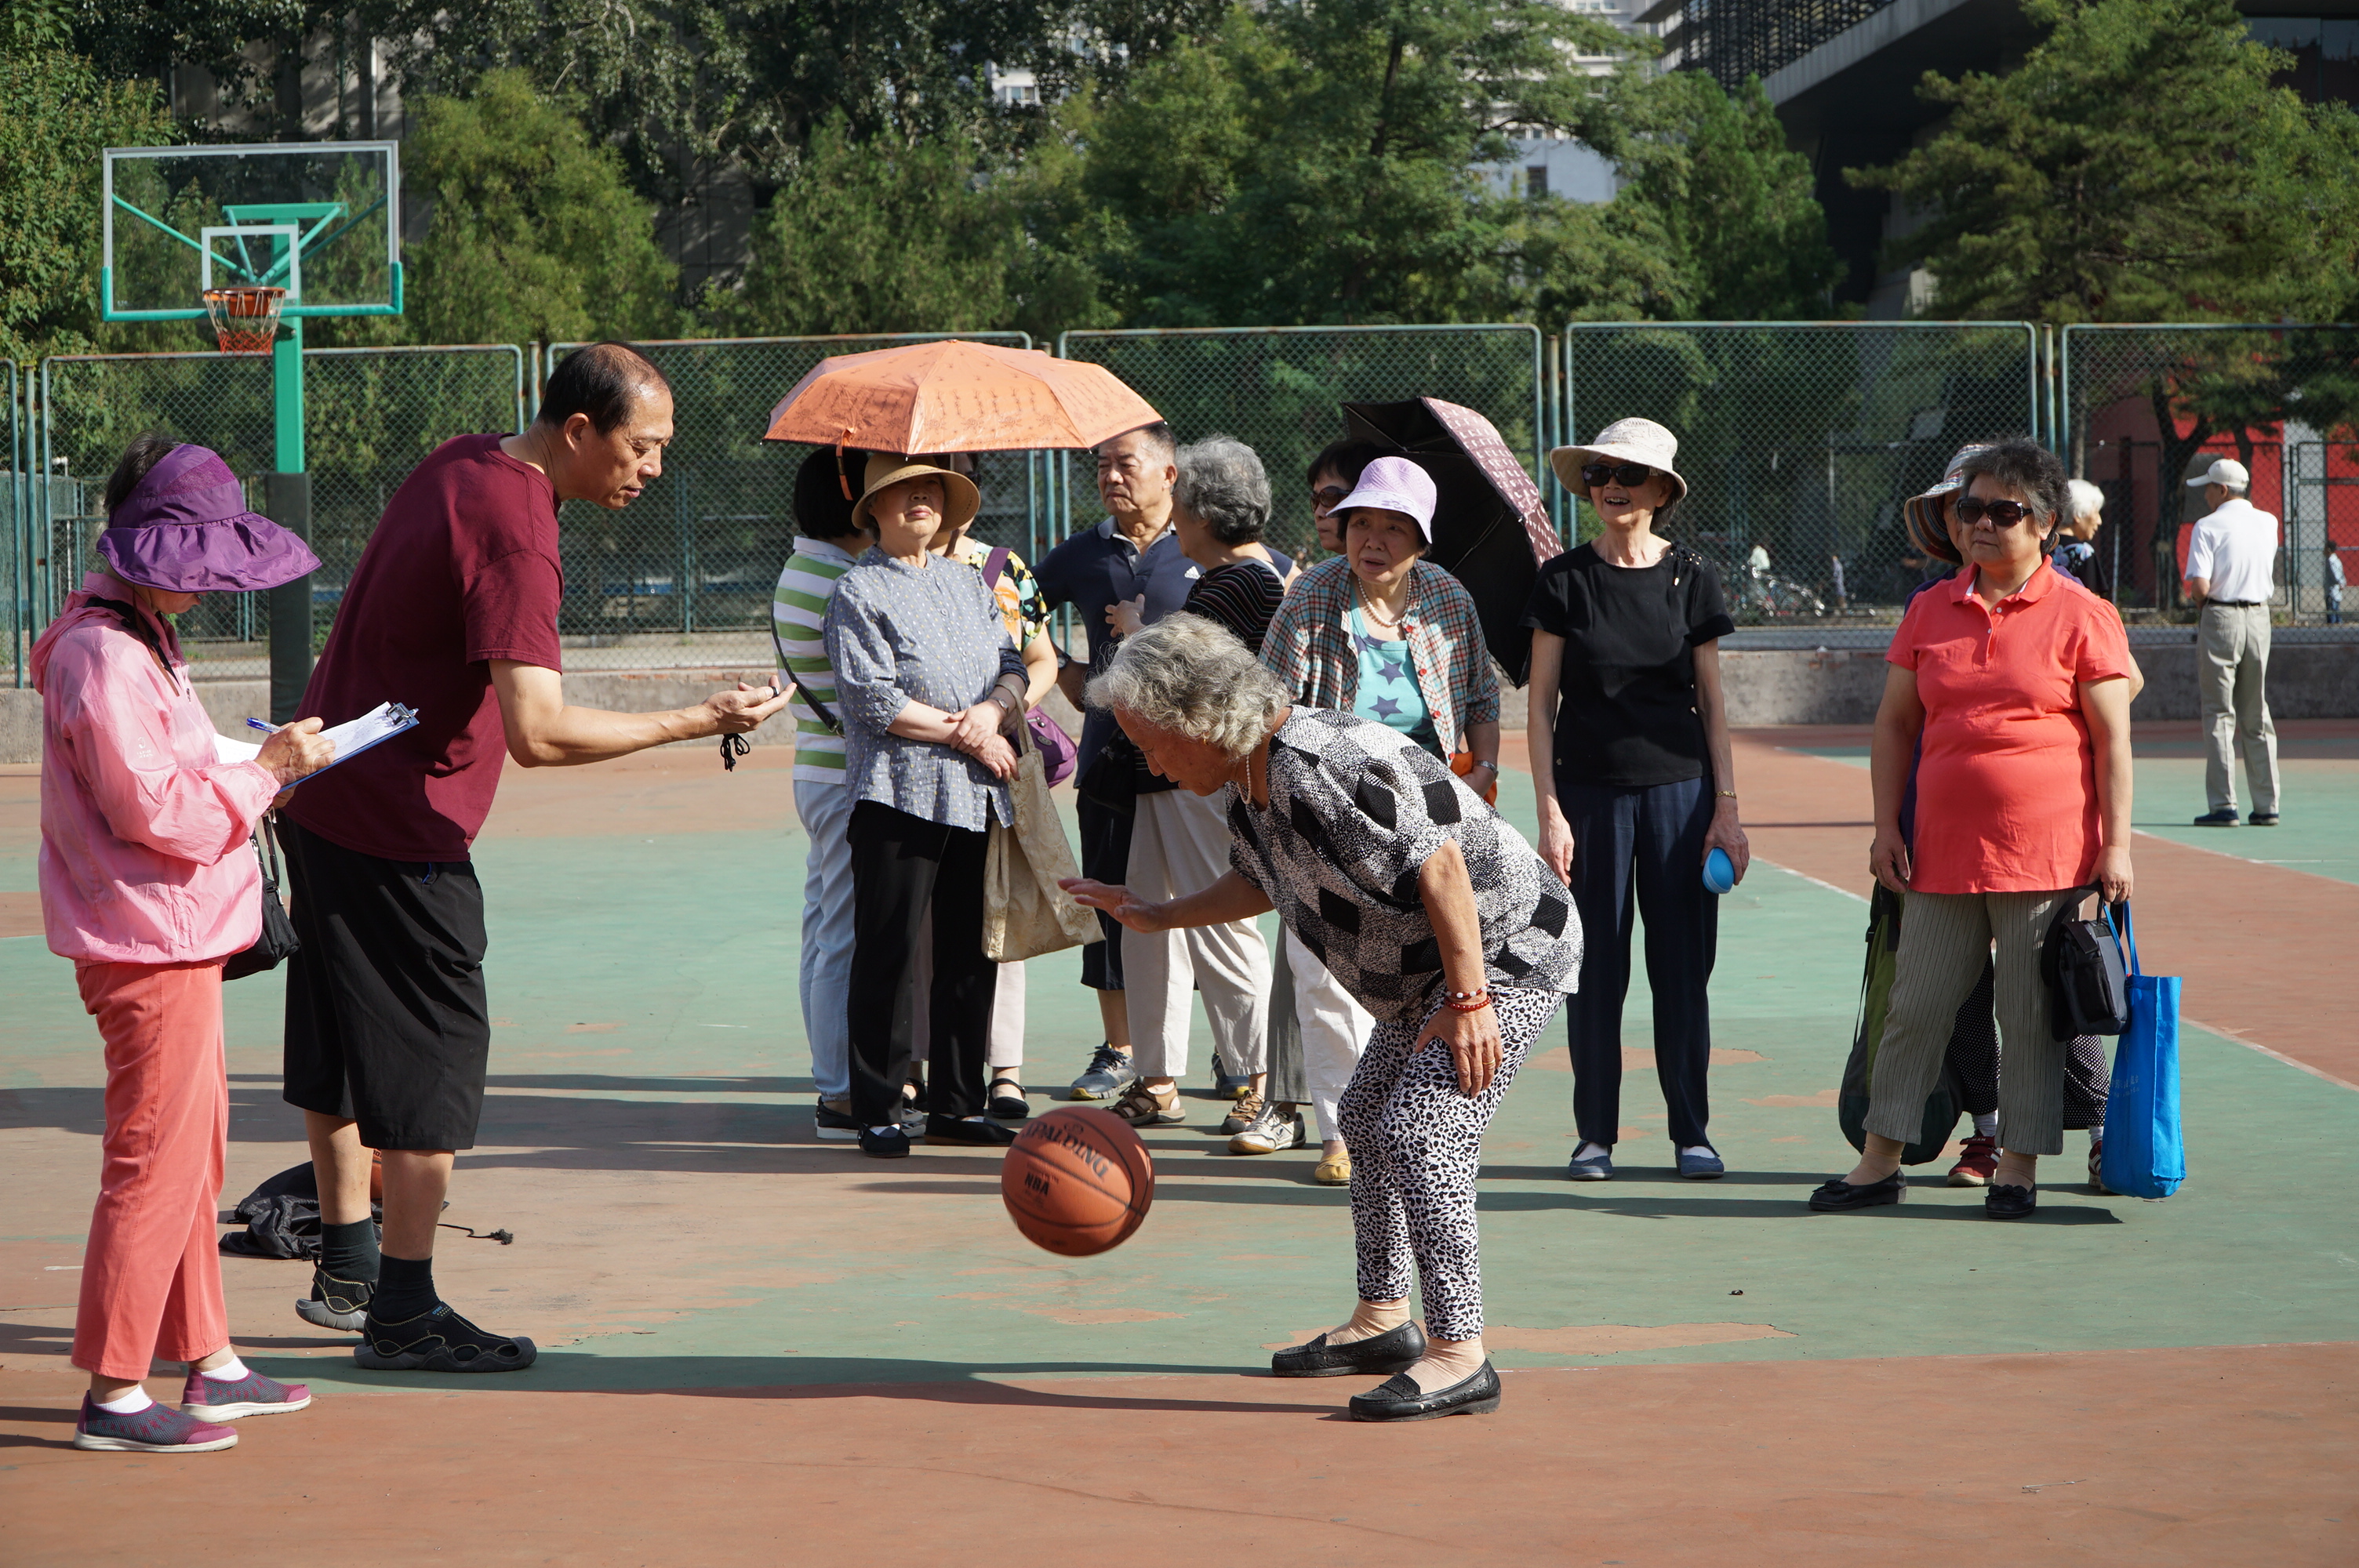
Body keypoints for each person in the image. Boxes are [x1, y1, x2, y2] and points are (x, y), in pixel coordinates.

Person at [278, 343, 791, 1370]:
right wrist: (698, 718)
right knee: (431, 1075)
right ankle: (406, 1315)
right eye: (641, 449)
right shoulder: (520, 527)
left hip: (321, 793)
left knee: (337, 1049)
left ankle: (348, 1269)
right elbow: (541, 733)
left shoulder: (461, 461)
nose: (650, 470)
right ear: (578, 433)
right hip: (400, 830)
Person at [1063, 616, 1579, 1421]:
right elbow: (1266, 880)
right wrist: (1155, 915)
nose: (1149, 761)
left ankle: (1459, 1351)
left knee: (1422, 1129)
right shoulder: (1250, 781)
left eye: (1151, 740)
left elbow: (1438, 865)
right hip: (1429, 969)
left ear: (1197, 715)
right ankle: (1382, 1320)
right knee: (1367, 1114)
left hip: (1504, 948)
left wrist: (1470, 999)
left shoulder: (1318, 763)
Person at [37, 436, 335, 1452]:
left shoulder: (131, 637)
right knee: (153, 1163)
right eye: (191, 564)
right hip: (145, 944)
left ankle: (208, 1360)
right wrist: (266, 777)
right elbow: (155, 809)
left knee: (188, 1159)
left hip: (171, 936)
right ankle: (115, 1392)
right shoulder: (103, 653)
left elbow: (187, 759)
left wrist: (271, 758)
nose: (205, 585)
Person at [1816, 437, 2135, 1221]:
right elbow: (1894, 725)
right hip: (1937, 849)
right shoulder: (1930, 608)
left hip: (2045, 849)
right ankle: (1878, 1158)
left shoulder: (2081, 614)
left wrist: (2116, 843)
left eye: (2004, 510)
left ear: (2048, 523)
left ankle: (2016, 1166)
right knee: (1915, 1005)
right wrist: (1884, 825)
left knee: (2026, 1016)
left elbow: (2109, 739)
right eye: (1968, 509)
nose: (1981, 523)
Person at [1257, 455, 1503, 1185]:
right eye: (1362, 520)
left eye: (1395, 527)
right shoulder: (1311, 599)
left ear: (1422, 540)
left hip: (1428, 821)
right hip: (1327, 810)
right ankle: (1342, 1133)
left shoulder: (1450, 600)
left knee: (1425, 976)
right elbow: (1268, 701)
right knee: (1327, 972)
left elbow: (1483, 700)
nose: (1373, 538)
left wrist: (1483, 774)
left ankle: (1417, 1125)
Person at [1525, 418, 1746, 1181]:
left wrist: (1725, 807)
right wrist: (1549, 810)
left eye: (1627, 473)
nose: (1610, 485)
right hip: (1588, 798)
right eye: (1597, 473)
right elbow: (1539, 705)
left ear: (1660, 491)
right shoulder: (1561, 580)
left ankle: (1692, 1130)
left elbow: (1713, 704)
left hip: (1680, 799)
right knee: (1595, 971)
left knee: (1682, 970)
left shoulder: (1693, 578)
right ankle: (1595, 1134)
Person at [823, 453, 1030, 1158]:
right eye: (901, 490)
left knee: (971, 952)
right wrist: (971, 734)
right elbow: (871, 697)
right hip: (896, 794)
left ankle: (958, 1104)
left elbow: (1012, 663)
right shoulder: (857, 590)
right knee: (888, 951)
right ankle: (878, 1106)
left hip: (976, 794)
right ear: (874, 511)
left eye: (931, 489)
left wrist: (996, 709)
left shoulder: (969, 582)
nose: (919, 498)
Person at [1105, 436, 1282, 1131]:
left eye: (1181, 500)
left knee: (1223, 924)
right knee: (1148, 918)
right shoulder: (1230, 580)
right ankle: (1160, 1077)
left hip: (1205, 778)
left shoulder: (1243, 581)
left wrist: (1135, 633)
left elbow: (1176, 678)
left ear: (1203, 512)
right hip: (1166, 779)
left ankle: (1258, 1079)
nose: (1173, 512)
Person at [1035, 423, 1194, 1102]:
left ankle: (1217, 1054)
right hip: (1108, 760)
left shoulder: (1202, 547)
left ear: (1169, 473)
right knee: (1108, 899)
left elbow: (1269, 590)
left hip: (1195, 762)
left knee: (1202, 905)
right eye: (1101, 466)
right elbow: (1010, 606)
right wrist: (1065, 670)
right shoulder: (1081, 554)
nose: (1109, 476)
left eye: (1124, 463)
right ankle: (1120, 1049)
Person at [907, 454, 1062, 1122]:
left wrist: (998, 714)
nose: (937, 498)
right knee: (918, 926)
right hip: (918, 768)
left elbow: (1041, 659)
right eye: (925, 483)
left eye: (951, 484)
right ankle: (914, 1064)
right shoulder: (890, 573)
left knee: (1001, 914)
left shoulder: (1004, 569)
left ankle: (1004, 1070)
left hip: (998, 767)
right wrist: (959, 727)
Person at [775, 447, 874, 1142]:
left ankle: (832, 1081)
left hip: (818, 766)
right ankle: (839, 1093)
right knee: (843, 936)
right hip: (846, 772)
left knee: (824, 930)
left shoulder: (803, 566)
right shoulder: (844, 579)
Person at [2183, 458, 2281, 827]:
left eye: (2209, 487)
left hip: (2221, 617)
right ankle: (2267, 804)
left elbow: (2201, 587)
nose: (2206, 494)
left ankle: (2224, 805)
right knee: (2256, 712)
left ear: (2222, 490)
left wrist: (2198, 602)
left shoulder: (2207, 526)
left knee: (2220, 712)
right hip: (2259, 617)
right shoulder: (2268, 522)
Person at [2054, 479, 2112, 600]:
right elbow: (2093, 601)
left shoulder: (2040, 544)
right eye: (2096, 512)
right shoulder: (2082, 552)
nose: (2099, 521)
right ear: (2078, 514)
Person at [2328, 540, 2347, 626]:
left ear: (2328, 549)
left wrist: (2340, 583)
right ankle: (2338, 623)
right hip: (2336, 588)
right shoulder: (2337, 560)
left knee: (2333, 608)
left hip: (2333, 588)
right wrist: (2343, 582)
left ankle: (2334, 624)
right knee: (2336, 608)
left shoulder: (2331, 561)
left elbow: (2336, 574)